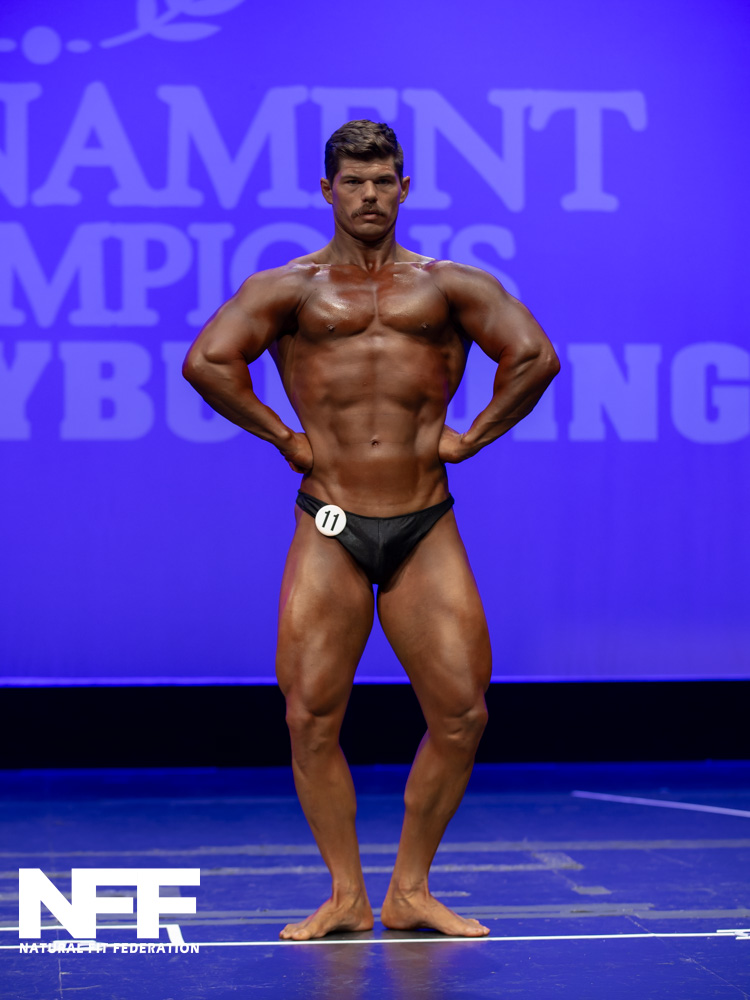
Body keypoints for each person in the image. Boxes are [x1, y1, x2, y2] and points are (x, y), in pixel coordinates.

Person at [183, 120, 559, 941]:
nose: (369, 196)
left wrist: (473, 436)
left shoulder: (449, 285)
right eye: (354, 182)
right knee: (310, 716)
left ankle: (410, 891)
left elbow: (535, 355)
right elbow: (207, 361)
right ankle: (347, 896)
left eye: (384, 181)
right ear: (327, 191)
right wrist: (284, 438)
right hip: (330, 521)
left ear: (405, 188)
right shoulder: (289, 288)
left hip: (425, 519)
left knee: (462, 714)